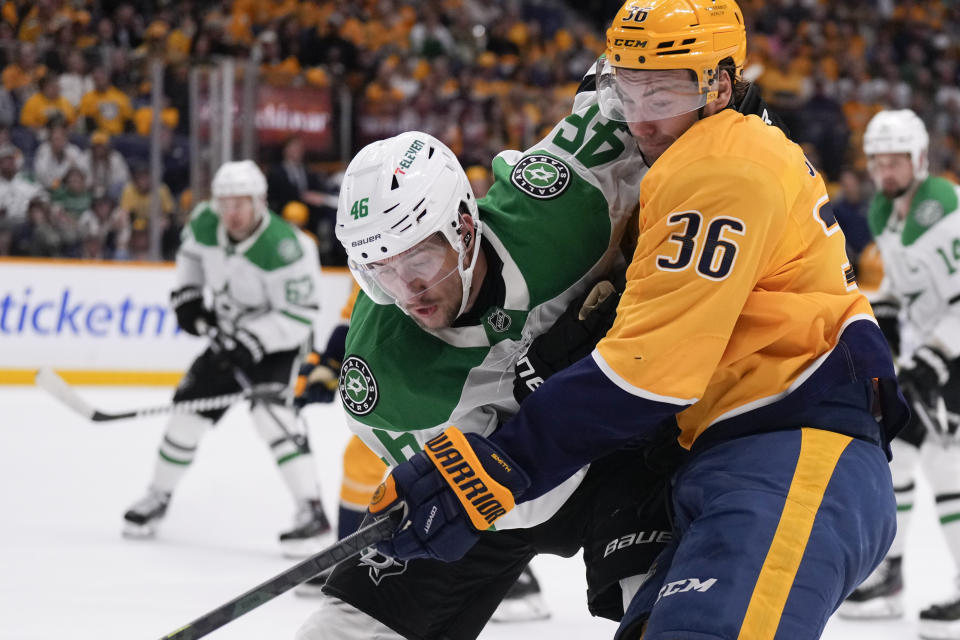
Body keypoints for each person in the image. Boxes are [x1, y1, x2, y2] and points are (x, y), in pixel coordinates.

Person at [363, 2, 909, 640]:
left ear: (721, 87)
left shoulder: (720, 164)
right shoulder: (704, 160)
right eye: (628, 88)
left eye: (667, 89)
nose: (643, 118)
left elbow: (647, 374)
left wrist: (499, 464)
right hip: (725, 456)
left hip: (794, 448)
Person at [296, 103, 680, 636]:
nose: (407, 293)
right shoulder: (384, 379)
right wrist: (551, 396)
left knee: (669, 613)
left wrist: (720, 114)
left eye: (419, 262)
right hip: (498, 493)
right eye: (380, 273)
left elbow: (629, 82)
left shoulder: (558, 209)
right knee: (342, 629)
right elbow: (515, 505)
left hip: (628, 445)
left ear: (464, 227)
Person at [295, 281, 552, 623]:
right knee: (365, 463)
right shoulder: (376, 263)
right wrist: (326, 361)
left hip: (457, 378)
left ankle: (515, 575)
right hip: (401, 380)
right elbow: (357, 314)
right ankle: (350, 553)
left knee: (473, 469)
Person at [122, 160, 333, 557]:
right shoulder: (205, 221)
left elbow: (300, 313)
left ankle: (312, 510)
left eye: (240, 203)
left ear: (259, 202)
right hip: (227, 335)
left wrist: (253, 341)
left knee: (273, 418)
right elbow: (191, 260)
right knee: (185, 415)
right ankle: (158, 495)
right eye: (224, 203)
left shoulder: (288, 246)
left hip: (279, 343)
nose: (231, 213)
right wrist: (188, 297)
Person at [838, 109, 960, 638]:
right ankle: (892, 576)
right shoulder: (887, 211)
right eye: (879, 161)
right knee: (902, 458)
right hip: (929, 350)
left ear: (919, 159)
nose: (886, 171)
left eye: (896, 160)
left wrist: (934, 359)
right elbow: (903, 291)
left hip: (950, 352)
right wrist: (877, 319)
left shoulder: (946, 209)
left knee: (948, 468)